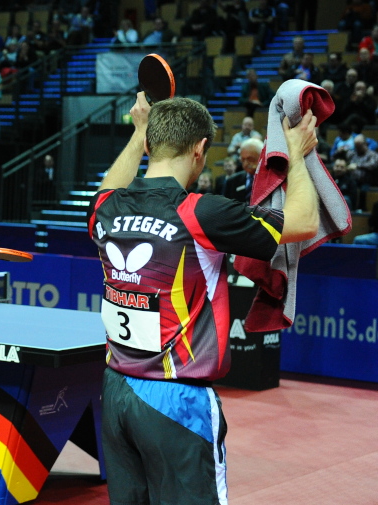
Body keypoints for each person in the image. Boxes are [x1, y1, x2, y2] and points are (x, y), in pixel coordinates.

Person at [88, 92, 319, 505]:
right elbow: (304, 222)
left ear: (147, 146)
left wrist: (139, 130)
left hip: (116, 392)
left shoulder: (106, 208)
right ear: (200, 149)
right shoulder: (200, 213)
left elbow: (108, 185)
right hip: (177, 399)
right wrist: (298, 156)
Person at [226, 137, 264, 203]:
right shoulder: (232, 181)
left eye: (250, 159)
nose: (246, 163)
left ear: (262, 157)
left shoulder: (271, 181)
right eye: (243, 159)